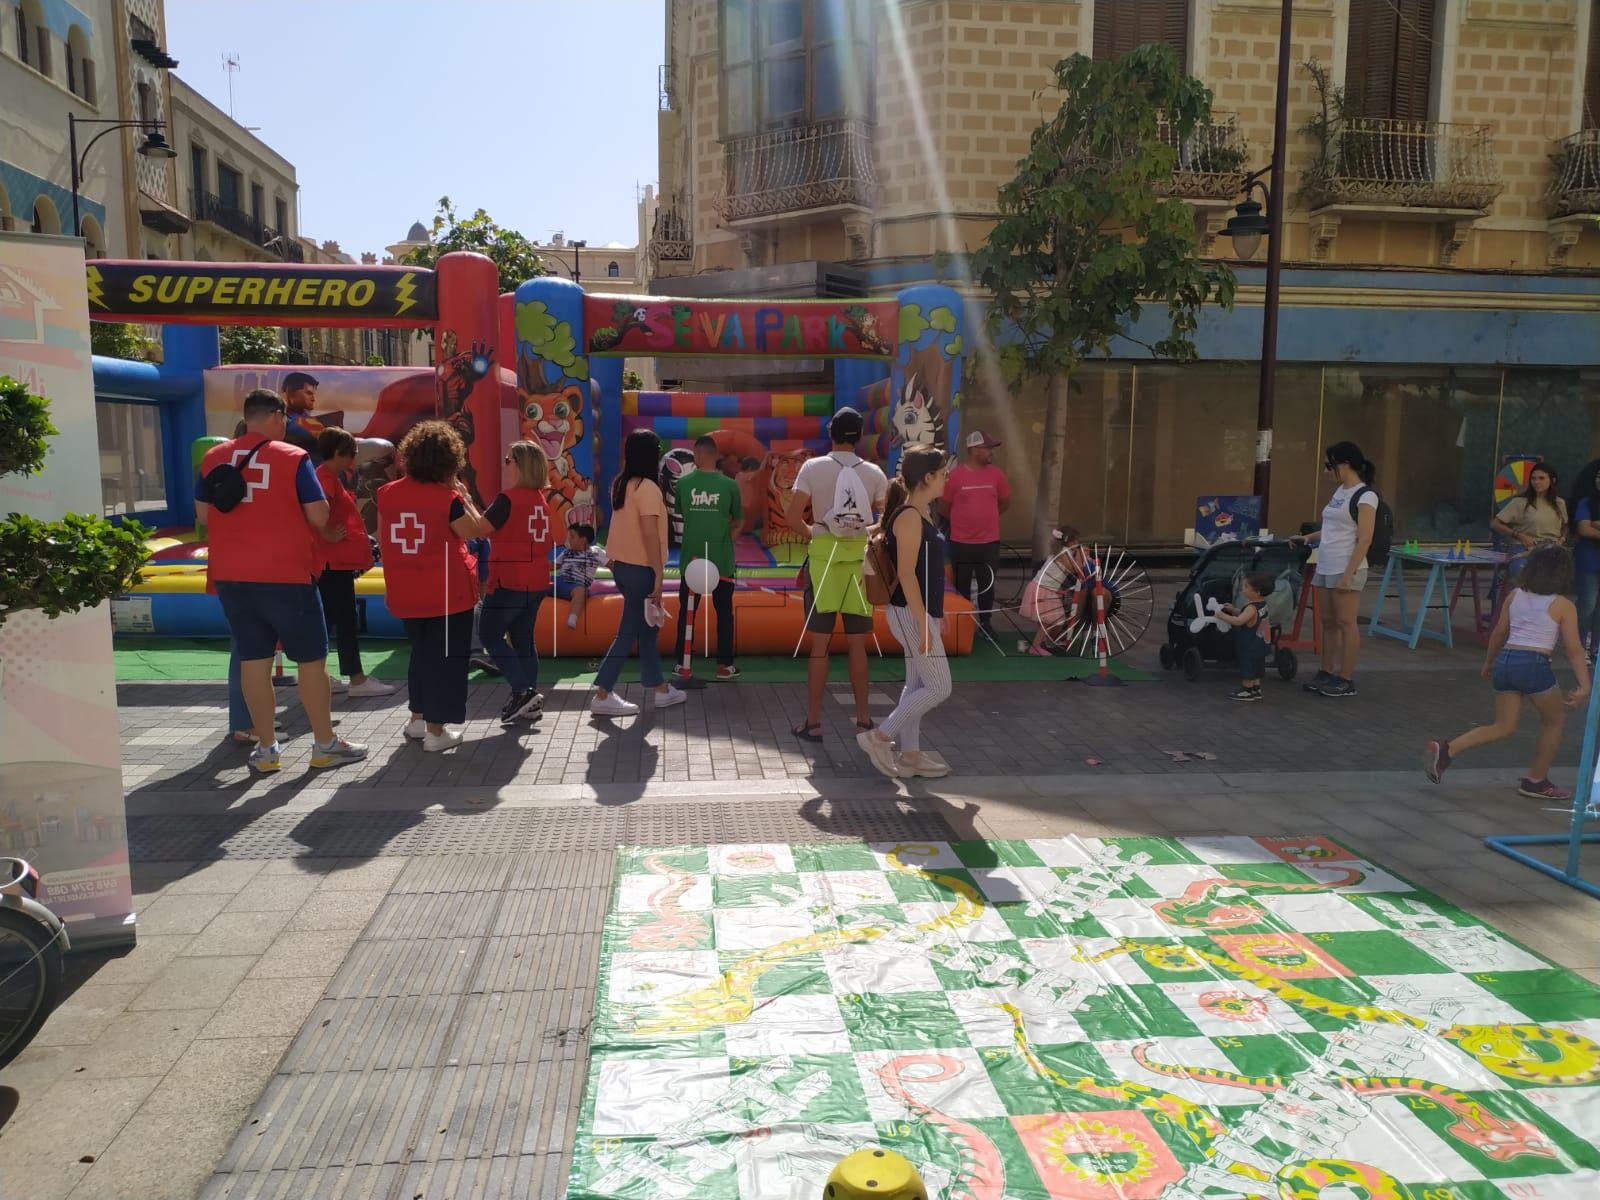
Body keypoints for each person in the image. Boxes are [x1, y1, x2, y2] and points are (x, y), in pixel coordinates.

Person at [196, 388, 366, 772]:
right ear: (275, 415)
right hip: (286, 574)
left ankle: (267, 749)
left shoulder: (212, 457)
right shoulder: (293, 457)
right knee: (311, 660)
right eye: (285, 417)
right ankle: (324, 745)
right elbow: (319, 516)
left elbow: (205, 516)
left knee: (252, 660)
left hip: (232, 576)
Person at [1425, 545, 1591, 801]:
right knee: (1554, 721)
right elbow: (1574, 649)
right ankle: (1536, 781)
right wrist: (1584, 684)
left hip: (1507, 660)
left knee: (1502, 726)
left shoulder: (1515, 595)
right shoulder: (1562, 605)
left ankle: (1448, 750)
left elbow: (1499, 632)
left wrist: (1489, 662)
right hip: (1534, 663)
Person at [378, 421, 486, 752]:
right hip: (447, 593)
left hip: (406, 590)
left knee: (421, 655)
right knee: (447, 660)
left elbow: (383, 541)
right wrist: (466, 497)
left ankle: (417, 719)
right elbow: (475, 531)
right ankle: (437, 732)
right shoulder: (447, 499)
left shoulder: (387, 494)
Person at [785, 408, 889, 741]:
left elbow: (791, 518)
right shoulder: (873, 472)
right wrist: (861, 529)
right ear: (859, 437)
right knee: (858, 644)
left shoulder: (812, 468)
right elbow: (885, 521)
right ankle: (863, 720)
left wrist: (817, 532)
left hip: (823, 560)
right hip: (859, 560)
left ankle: (813, 722)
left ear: (831, 433)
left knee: (820, 644)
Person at [859, 446, 953, 779]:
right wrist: (925, 623)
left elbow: (926, 573)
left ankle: (910, 755)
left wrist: (936, 615)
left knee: (916, 687)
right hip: (911, 614)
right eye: (943, 472)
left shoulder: (919, 512)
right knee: (940, 687)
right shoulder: (911, 516)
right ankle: (880, 736)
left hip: (915, 613)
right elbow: (907, 574)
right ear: (928, 477)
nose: (946, 478)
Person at [592, 429, 685, 716]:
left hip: (622, 566)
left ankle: (659, 688)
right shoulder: (647, 488)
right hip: (641, 569)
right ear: (651, 454)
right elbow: (649, 536)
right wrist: (659, 576)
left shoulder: (622, 484)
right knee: (629, 631)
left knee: (647, 629)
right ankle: (603, 692)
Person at [1289, 442, 1378, 699]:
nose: (1327, 471)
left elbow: (1364, 538)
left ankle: (1346, 678)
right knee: (1328, 622)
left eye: (1330, 466)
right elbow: (1332, 528)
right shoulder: (1340, 491)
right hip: (1326, 563)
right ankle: (1326, 672)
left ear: (1345, 464)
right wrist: (1307, 538)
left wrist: (1349, 573)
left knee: (1346, 622)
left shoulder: (1365, 496)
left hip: (1346, 566)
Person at [478, 440, 555, 724]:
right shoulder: (540, 499)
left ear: (520, 466)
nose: (505, 464)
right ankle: (529, 697)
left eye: (508, 460)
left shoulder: (508, 498)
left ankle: (523, 691)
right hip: (536, 579)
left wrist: (462, 497)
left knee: (489, 635)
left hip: (510, 579)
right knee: (523, 640)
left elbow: (479, 528)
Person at [313, 428, 392, 699]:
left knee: (332, 620)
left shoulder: (329, 478)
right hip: (333, 564)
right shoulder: (325, 479)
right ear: (338, 453)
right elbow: (314, 510)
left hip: (334, 564)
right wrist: (326, 533)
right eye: (352, 454)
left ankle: (321, 674)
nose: (355, 459)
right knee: (344, 620)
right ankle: (356, 679)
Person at [673, 435, 743, 681]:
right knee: (724, 613)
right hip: (722, 559)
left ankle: (683, 664)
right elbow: (739, 521)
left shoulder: (683, 485)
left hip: (691, 559)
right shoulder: (730, 485)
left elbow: (682, 514)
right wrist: (727, 539)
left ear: (698, 454)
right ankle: (724, 665)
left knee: (687, 612)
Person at [940, 430, 1011, 636]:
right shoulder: (955, 476)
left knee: (986, 584)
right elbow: (944, 506)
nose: (991, 452)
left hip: (989, 542)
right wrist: (962, 522)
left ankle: (986, 623)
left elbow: (1005, 502)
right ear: (974, 450)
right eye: (987, 448)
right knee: (961, 584)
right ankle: (964, 625)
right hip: (960, 542)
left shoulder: (996, 474)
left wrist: (987, 518)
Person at [1493, 462, 1567, 577]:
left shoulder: (1559, 503)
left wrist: (1561, 540)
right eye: (1533, 478)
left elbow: (1565, 525)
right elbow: (1496, 524)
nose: (1536, 482)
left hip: (1551, 548)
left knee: (1555, 577)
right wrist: (1519, 535)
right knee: (1523, 573)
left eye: (1541, 478)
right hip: (1525, 547)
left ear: (1552, 480)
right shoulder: (1520, 502)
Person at [1020, 525, 1084, 657]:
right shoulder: (1064, 552)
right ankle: (1035, 647)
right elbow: (1076, 570)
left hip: (1043, 587)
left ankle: (1040, 643)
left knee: (1045, 618)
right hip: (1043, 589)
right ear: (1071, 542)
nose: (1078, 544)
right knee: (1052, 618)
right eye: (1077, 541)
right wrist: (1080, 554)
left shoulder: (1062, 551)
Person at [1214, 571, 1276, 702]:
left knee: (1247, 666)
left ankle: (1246, 689)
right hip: (1261, 643)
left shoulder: (1251, 608)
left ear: (1257, 591)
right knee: (1258, 666)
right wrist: (1233, 610)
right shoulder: (1262, 605)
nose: (1243, 589)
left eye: (1246, 587)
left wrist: (1223, 616)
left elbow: (1239, 621)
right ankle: (1256, 688)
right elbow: (1245, 616)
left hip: (1249, 644)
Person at [555, 523, 604, 629]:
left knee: (581, 592)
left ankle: (573, 617)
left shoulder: (595, 552)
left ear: (584, 540)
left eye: (572, 536)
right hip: (559, 581)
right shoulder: (567, 552)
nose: (569, 540)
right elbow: (554, 565)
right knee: (541, 583)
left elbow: (612, 565)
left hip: (576, 584)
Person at [1573, 474, 1600, 662]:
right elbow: (1584, 529)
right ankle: (1579, 647)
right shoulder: (1586, 501)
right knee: (1587, 604)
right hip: (1589, 559)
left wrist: (1597, 524)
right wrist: (1591, 525)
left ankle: (1596, 648)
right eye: (1598, 476)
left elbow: (1592, 527)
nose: (1599, 479)